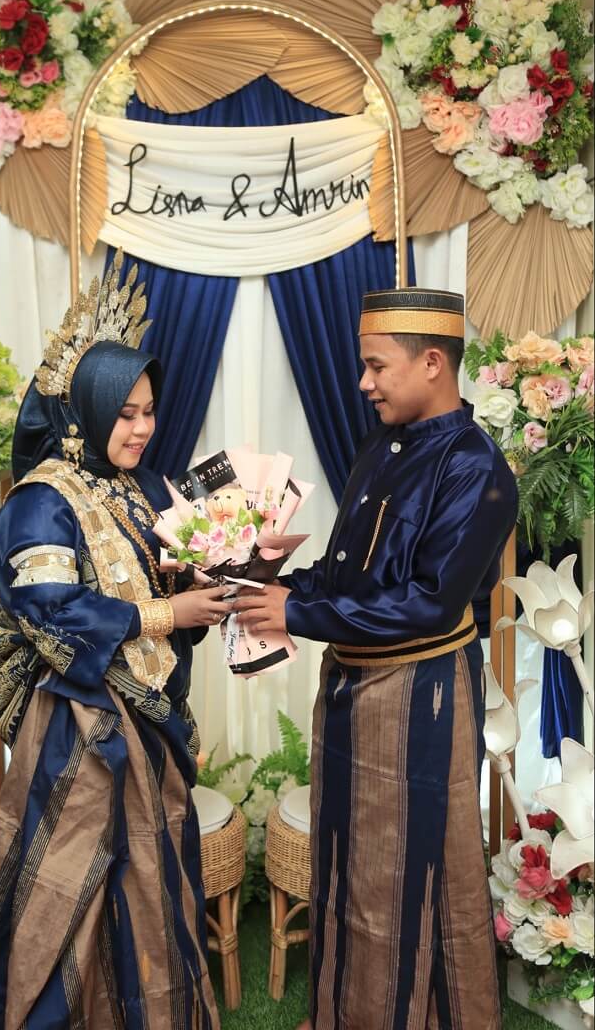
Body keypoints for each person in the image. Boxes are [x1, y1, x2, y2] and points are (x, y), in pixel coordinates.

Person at [0, 254, 230, 1030]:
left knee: (147, 883)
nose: (142, 429)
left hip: (144, 716)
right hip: (78, 729)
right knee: (67, 887)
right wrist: (168, 613)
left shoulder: (136, 489)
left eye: (149, 412)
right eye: (125, 413)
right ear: (87, 411)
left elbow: (147, 589)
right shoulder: (41, 500)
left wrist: (202, 582)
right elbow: (50, 611)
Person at [236, 288, 518, 1030]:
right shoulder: (382, 445)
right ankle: (341, 1011)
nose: (363, 383)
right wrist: (273, 587)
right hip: (349, 687)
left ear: (432, 363)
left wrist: (298, 613)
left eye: (376, 366)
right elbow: (348, 572)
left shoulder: (477, 468)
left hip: (419, 693)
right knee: (346, 863)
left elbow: (428, 603)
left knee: (404, 869)